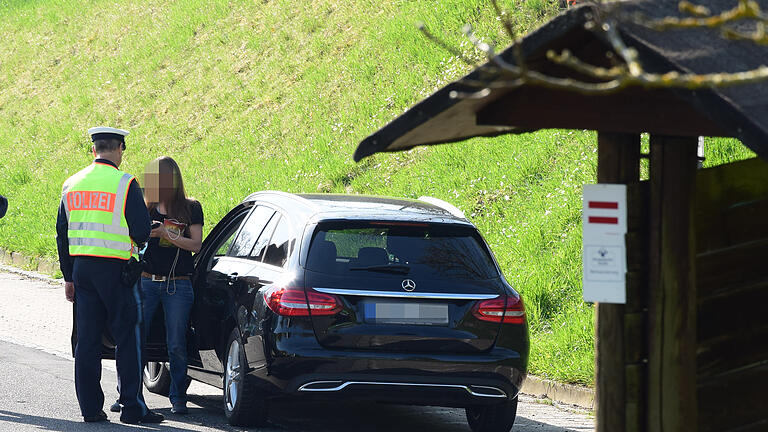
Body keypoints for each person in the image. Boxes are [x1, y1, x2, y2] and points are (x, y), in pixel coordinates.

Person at [56, 126, 163, 424]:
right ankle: (132, 407)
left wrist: (68, 276)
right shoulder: (125, 183)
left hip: (82, 272)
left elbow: (61, 235)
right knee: (127, 337)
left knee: (87, 341)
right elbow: (141, 231)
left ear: (93, 150)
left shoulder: (71, 184)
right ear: (119, 150)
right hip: (117, 271)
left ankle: (90, 409)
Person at [140, 156, 203, 415]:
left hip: (178, 284)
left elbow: (196, 245)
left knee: (176, 343)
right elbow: (129, 241)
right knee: (135, 340)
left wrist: (167, 234)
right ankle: (129, 396)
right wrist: (146, 233)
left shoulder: (190, 208)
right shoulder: (144, 208)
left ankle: (178, 397)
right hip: (146, 281)